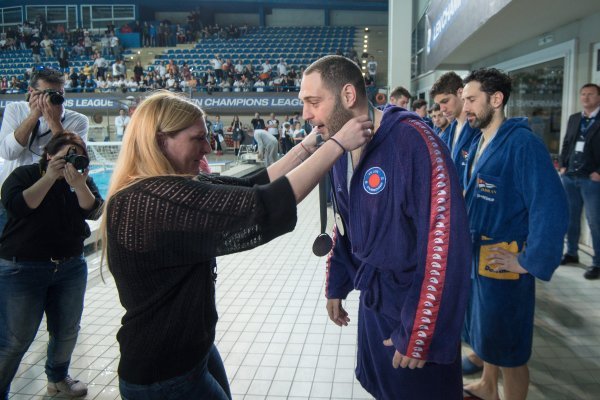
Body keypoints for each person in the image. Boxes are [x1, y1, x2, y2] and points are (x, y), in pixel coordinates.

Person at [101, 90, 373, 400]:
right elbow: (264, 204)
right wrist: (338, 146)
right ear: (161, 141)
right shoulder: (147, 202)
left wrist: (309, 146)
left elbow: (252, 184)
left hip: (191, 351)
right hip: (163, 373)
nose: (207, 148)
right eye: (197, 139)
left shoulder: (170, 185)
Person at [300, 55, 471, 399]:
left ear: (348, 95)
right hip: (375, 301)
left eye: (313, 102)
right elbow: (343, 223)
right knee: (384, 390)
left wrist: (420, 330)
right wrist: (337, 283)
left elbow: (445, 241)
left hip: (414, 305)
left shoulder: (414, 142)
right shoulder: (339, 145)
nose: (306, 115)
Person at [460, 68, 568, 400]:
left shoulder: (523, 145)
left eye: (472, 100)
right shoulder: (482, 140)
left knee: (510, 348)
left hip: (505, 259)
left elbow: (551, 208)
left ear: (496, 99)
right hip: (482, 255)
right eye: (464, 100)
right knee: (489, 332)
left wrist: (528, 261)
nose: (466, 108)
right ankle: (488, 386)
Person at [0, 133, 103, 399]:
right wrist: (49, 178)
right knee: (16, 339)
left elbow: (93, 211)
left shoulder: (81, 181)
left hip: (69, 267)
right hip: (22, 268)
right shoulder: (24, 175)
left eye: (76, 155)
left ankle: (57, 378)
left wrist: (79, 185)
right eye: (65, 154)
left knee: (67, 330)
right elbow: (19, 206)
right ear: (49, 155)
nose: (70, 160)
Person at [0, 66, 88, 232]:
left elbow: (75, 161)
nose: (53, 99)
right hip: (15, 193)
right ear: (31, 91)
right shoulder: (15, 110)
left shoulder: (78, 120)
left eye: (59, 94)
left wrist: (54, 121)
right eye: (47, 93)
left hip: (55, 196)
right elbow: (8, 153)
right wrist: (33, 116)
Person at [559, 83, 600, 279]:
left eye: (590, 94)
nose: (585, 98)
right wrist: (563, 164)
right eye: (583, 94)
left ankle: (597, 262)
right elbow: (567, 142)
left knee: (595, 222)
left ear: (598, 97)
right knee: (570, 218)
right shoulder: (575, 118)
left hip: (592, 180)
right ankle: (572, 253)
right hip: (570, 177)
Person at [431, 71, 481, 190]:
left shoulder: (477, 128)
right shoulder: (452, 127)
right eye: (439, 104)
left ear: (460, 93)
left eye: (445, 101)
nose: (442, 109)